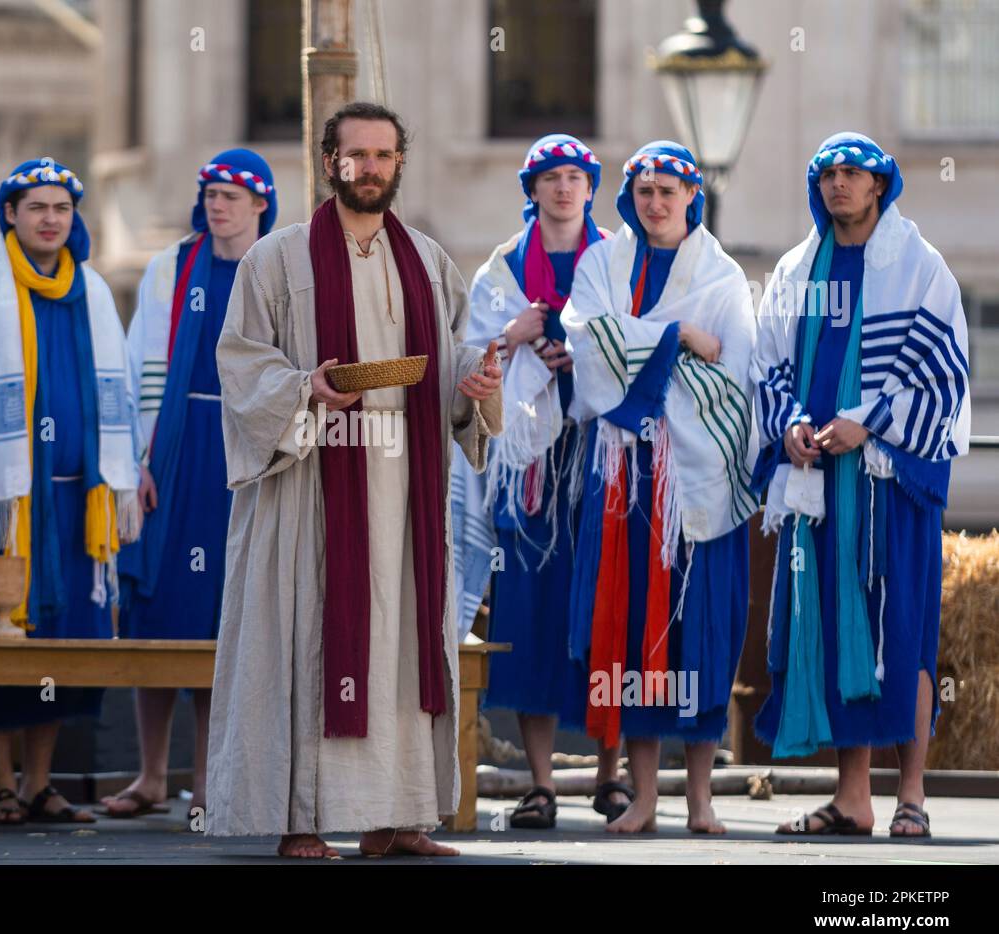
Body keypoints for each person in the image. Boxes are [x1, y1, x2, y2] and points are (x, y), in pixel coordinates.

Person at [205, 102, 503, 858]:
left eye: (382, 155)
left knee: (400, 648)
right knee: (306, 641)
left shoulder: (430, 261)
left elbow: (453, 360)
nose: (369, 168)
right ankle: (300, 818)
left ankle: (396, 816)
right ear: (330, 161)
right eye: (354, 155)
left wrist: (476, 379)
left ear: (399, 163)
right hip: (311, 489)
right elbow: (240, 363)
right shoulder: (276, 259)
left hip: (404, 494)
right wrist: (305, 385)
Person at [752, 133, 971, 839]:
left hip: (888, 481)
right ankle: (852, 797)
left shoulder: (919, 267)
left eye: (853, 174)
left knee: (900, 630)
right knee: (835, 626)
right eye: (827, 174)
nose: (838, 184)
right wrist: (788, 421)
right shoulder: (795, 269)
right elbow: (768, 363)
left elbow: (944, 372)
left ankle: (911, 792)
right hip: (816, 480)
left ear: (881, 185)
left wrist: (867, 423)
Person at [0, 157, 140, 825]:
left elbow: (119, 392)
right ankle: (2, 783)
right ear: (10, 214)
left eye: (61, 209)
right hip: (0, 506)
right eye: (36, 207)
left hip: (76, 505)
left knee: (64, 642)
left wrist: (122, 479)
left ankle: (43, 782)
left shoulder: (93, 293)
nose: (50, 219)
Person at [562, 141, 757, 834]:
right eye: (644, 190)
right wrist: (675, 336)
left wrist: (655, 350)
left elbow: (735, 382)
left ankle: (700, 797)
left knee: (698, 635)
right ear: (630, 197)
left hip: (696, 480)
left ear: (691, 195)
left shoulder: (725, 276)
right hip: (626, 482)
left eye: (668, 191)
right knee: (633, 633)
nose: (655, 202)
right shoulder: (600, 264)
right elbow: (588, 341)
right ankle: (644, 798)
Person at [453, 133, 631, 828]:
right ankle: (541, 780)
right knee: (528, 612)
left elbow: (634, 339)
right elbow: (469, 355)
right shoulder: (501, 270)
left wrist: (580, 358)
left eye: (575, 177)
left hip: (600, 454)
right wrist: (517, 336)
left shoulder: (617, 258)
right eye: (550, 177)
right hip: (526, 469)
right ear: (532, 189)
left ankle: (612, 775)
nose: (563, 188)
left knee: (606, 603)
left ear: (590, 189)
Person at [102, 148, 277, 821]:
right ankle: (150, 774)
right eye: (210, 192)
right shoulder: (172, 267)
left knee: (220, 618)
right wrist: (139, 460)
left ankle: (209, 780)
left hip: (246, 451)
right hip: (175, 451)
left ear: (261, 203)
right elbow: (139, 364)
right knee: (159, 610)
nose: (217, 203)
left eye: (232, 194)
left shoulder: (279, 267)